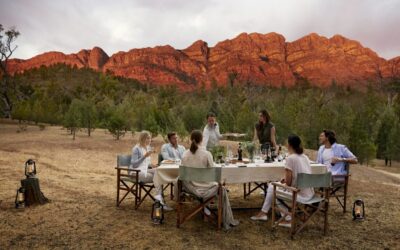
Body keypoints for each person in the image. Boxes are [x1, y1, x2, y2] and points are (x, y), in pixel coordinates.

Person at [251, 135, 315, 227]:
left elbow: (288, 183)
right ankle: (264, 213)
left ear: (289, 145)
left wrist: (285, 181)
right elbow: (301, 175)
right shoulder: (304, 157)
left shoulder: (290, 158)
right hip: (310, 193)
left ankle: (287, 219)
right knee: (273, 186)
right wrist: (285, 180)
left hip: (299, 194)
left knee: (272, 188)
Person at [181, 130, 239, 229]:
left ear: (191, 140)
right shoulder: (206, 154)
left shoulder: (185, 154)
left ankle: (206, 211)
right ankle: (209, 213)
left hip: (190, 187)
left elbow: (183, 172)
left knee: (211, 183)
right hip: (205, 188)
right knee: (219, 185)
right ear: (202, 140)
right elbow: (212, 172)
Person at [130, 130, 173, 211]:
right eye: (147, 138)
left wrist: (152, 165)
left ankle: (159, 202)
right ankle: (160, 203)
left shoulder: (147, 148)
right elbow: (134, 164)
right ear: (142, 139)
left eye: (150, 138)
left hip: (145, 170)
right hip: (136, 172)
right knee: (158, 177)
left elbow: (146, 164)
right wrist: (145, 156)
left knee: (159, 170)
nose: (149, 140)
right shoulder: (136, 148)